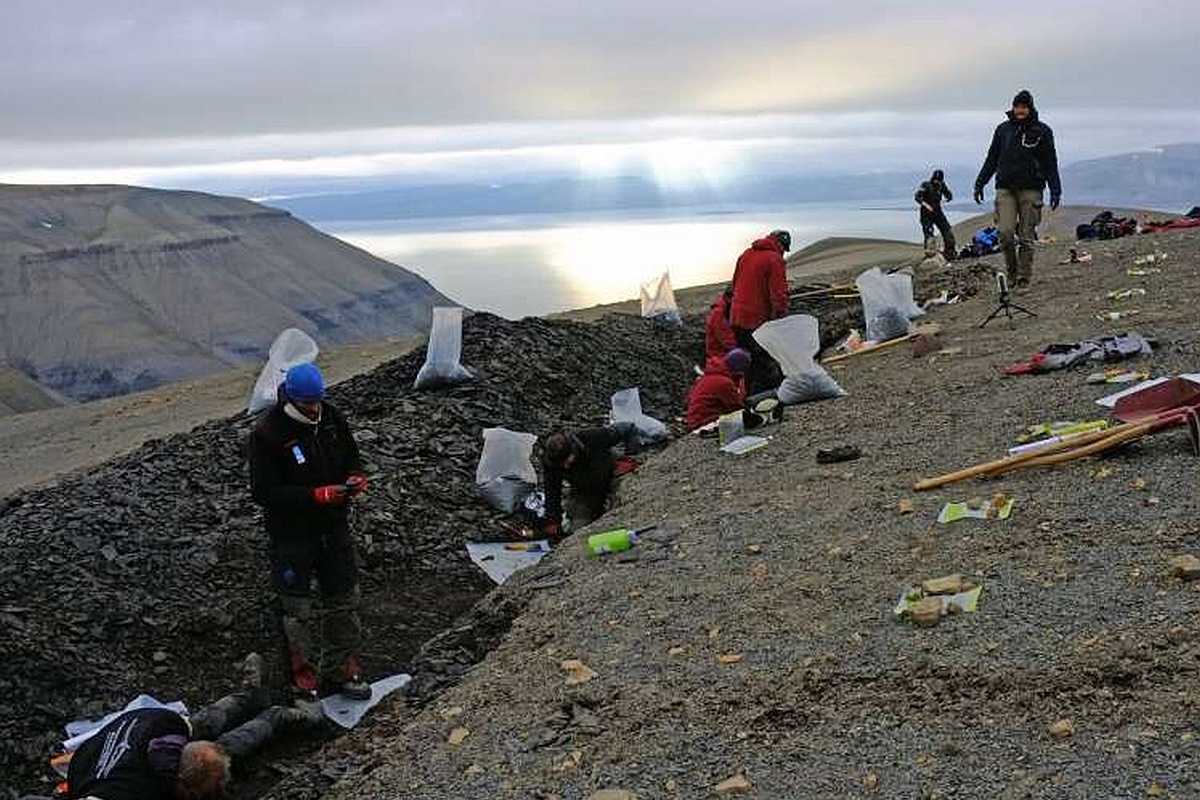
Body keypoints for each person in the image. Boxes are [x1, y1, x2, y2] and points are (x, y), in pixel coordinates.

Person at [248, 362, 371, 702]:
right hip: (292, 536)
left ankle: (340, 666)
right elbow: (263, 492)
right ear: (292, 398)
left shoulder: (331, 419)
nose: (314, 409)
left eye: (318, 401)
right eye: (308, 403)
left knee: (344, 598)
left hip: (333, 529)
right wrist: (313, 496)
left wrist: (354, 478)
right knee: (295, 610)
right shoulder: (269, 433)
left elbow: (352, 457)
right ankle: (303, 677)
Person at [63, 654, 321, 800]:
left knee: (213, 740)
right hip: (123, 740)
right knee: (209, 745)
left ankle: (258, 702)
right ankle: (271, 712)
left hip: (143, 724)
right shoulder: (119, 788)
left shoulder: (165, 727)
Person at [973, 89, 1062, 288]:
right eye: (1017, 106)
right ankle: (1011, 273)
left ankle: (1023, 277)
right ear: (1013, 107)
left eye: (1024, 107)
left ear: (1030, 108)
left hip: (1031, 189)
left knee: (1026, 236)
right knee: (1004, 233)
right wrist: (980, 182)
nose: (1020, 110)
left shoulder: (1043, 131)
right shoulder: (1002, 130)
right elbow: (992, 158)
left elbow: (1050, 162)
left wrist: (1055, 189)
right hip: (1005, 188)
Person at [541, 423, 641, 535]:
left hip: (613, 473)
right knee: (579, 530)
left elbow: (628, 428)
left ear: (573, 449)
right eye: (562, 465)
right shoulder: (551, 464)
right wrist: (553, 520)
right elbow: (552, 492)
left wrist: (631, 458)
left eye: (567, 461)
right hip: (586, 491)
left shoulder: (591, 436)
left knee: (627, 496)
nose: (566, 467)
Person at [730, 230, 790, 394]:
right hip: (756, 320)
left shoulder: (746, 254)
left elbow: (734, 284)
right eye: (784, 249)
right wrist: (780, 318)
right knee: (765, 360)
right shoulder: (774, 259)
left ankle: (748, 396)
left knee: (749, 361)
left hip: (737, 318)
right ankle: (768, 398)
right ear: (781, 245)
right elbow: (778, 294)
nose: (784, 253)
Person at [686, 348, 750, 430]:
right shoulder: (724, 382)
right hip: (704, 423)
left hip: (696, 420)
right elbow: (735, 408)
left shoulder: (712, 375)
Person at [915, 169, 956, 260]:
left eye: (939, 180)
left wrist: (947, 198)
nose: (936, 181)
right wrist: (926, 205)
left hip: (938, 212)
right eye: (935, 179)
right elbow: (917, 197)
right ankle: (930, 255)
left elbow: (948, 195)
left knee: (947, 230)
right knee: (929, 234)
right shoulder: (925, 185)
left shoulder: (941, 185)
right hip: (926, 214)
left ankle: (950, 252)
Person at [704, 288, 736, 360]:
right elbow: (728, 341)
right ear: (728, 298)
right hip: (718, 356)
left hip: (721, 352)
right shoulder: (718, 313)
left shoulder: (723, 309)